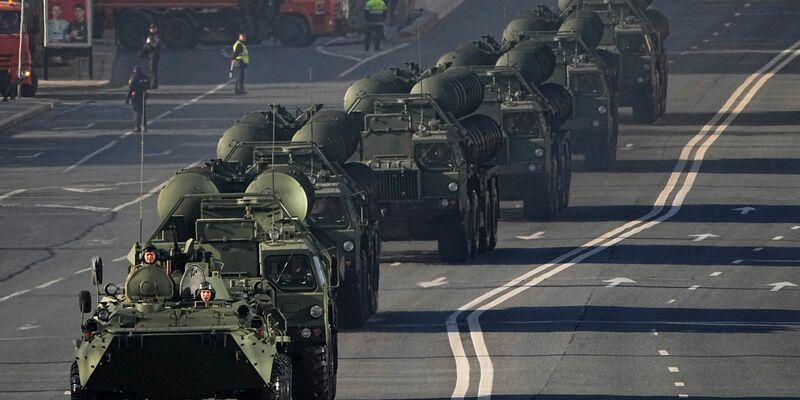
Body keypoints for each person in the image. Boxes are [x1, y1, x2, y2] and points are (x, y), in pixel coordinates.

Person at [126, 66, 150, 132]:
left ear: (134, 71)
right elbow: (148, 86)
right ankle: (144, 126)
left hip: (135, 96)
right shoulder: (145, 77)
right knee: (143, 111)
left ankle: (137, 126)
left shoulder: (133, 78)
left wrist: (127, 98)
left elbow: (130, 88)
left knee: (136, 111)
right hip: (143, 95)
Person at [139, 24, 162, 89]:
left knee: (153, 70)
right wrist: (143, 51)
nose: (152, 29)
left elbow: (156, 45)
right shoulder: (149, 37)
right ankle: (153, 84)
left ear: (156, 29)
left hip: (154, 56)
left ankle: (154, 84)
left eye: (153, 28)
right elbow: (146, 45)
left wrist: (149, 44)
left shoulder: (157, 36)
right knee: (152, 70)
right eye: (151, 28)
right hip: (150, 56)